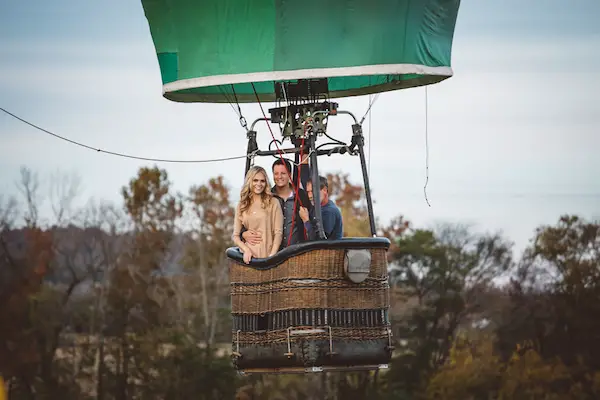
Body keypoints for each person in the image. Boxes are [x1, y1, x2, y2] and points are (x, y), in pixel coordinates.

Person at [242, 158, 312, 250]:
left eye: (283, 173)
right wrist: (243, 233)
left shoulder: (301, 196)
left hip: (297, 252)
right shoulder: (266, 196)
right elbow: (248, 217)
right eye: (276, 174)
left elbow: (312, 218)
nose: (279, 177)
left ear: (289, 175)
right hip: (272, 253)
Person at [232, 166, 283, 264]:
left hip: (267, 256)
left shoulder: (273, 202)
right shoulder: (242, 205)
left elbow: (278, 233)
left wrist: (272, 256)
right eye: (255, 180)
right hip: (248, 257)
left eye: (262, 181)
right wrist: (246, 250)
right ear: (249, 181)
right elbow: (235, 236)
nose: (259, 184)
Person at [301, 175, 343, 240]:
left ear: (325, 190)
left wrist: (306, 221)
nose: (310, 196)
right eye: (308, 192)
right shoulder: (317, 206)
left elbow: (319, 242)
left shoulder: (329, 212)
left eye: (313, 191)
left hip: (328, 250)